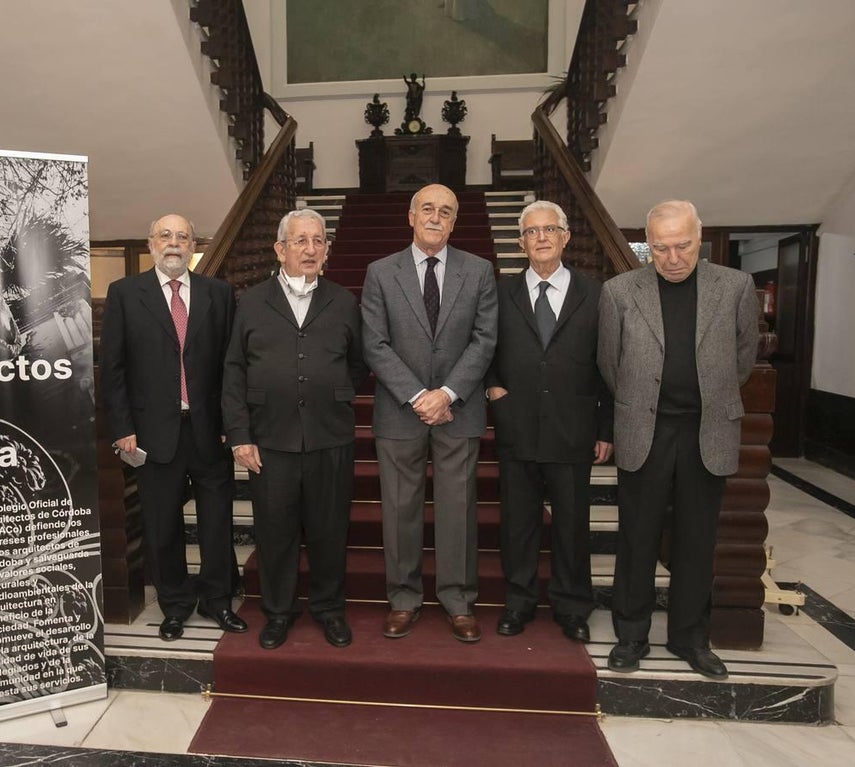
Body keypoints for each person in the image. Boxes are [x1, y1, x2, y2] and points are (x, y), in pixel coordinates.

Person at [598, 200, 759, 679]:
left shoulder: (735, 286)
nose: (672, 258)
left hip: (706, 431)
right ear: (648, 245)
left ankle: (690, 638)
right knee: (636, 538)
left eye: (683, 246)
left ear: (700, 238)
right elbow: (609, 363)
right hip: (644, 430)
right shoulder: (619, 292)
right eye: (661, 248)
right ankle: (631, 635)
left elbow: (743, 358)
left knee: (697, 540)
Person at [223, 209, 367, 650]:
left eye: (318, 241)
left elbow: (358, 363)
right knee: (275, 532)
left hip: (330, 435)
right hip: (270, 437)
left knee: (329, 530)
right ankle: (278, 612)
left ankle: (329, 610)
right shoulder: (251, 302)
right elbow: (234, 370)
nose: (310, 249)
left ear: (326, 249)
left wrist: (334, 393)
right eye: (300, 241)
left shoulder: (343, 301)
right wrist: (240, 434)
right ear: (280, 249)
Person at [361, 183, 497, 642]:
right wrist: (420, 395)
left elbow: (484, 340)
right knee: (400, 509)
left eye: (445, 211)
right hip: (400, 411)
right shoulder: (381, 272)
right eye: (427, 209)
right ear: (411, 216)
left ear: (455, 222)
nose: (436, 217)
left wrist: (449, 394)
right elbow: (374, 343)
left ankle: (458, 601)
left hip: (460, 410)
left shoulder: (479, 271)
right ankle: (403, 598)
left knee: (458, 509)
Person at [101, 215, 247, 641]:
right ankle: (176, 605)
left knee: (216, 521)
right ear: (151, 243)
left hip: (209, 431)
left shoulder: (218, 294)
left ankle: (218, 600)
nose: (174, 243)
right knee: (162, 524)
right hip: (151, 434)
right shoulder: (125, 294)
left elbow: (232, 366)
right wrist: (122, 427)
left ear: (194, 246)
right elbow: (113, 368)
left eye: (183, 237)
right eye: (166, 235)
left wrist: (233, 422)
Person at [485, 201, 613, 643]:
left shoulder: (595, 294)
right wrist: (492, 388)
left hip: (573, 427)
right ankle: (518, 603)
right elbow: (481, 346)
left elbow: (608, 365)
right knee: (518, 524)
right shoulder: (499, 292)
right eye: (531, 231)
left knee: (572, 525)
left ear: (565, 237)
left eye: (549, 229)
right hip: (516, 425)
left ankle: (572, 607)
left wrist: (605, 428)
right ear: (521, 242)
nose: (541, 238)